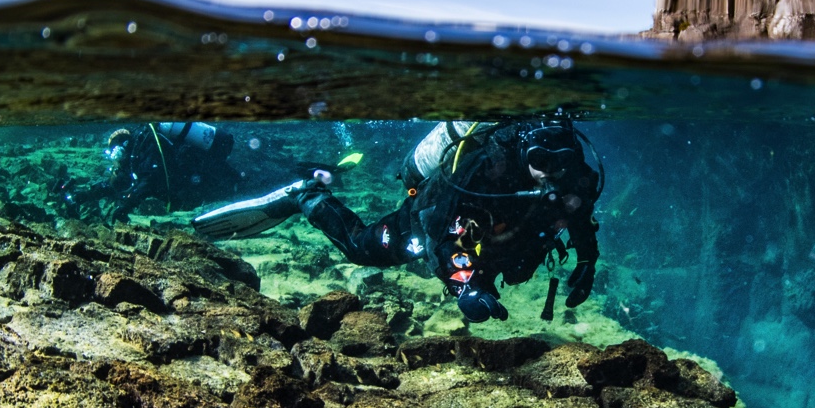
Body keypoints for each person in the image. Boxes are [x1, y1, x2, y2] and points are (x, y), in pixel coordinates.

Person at [194, 115, 600, 322]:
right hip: (428, 219)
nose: (551, 173)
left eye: (561, 161)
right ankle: (308, 195)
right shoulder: (485, 172)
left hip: (493, 241)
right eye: (541, 160)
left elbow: (579, 215)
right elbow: (445, 237)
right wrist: (465, 286)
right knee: (360, 248)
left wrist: (586, 260)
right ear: (524, 153)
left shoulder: (576, 177)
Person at [67, 121, 242, 221]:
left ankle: (243, 190)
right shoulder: (134, 159)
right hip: (190, 184)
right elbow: (116, 185)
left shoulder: (147, 145)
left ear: (124, 145)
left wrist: (127, 204)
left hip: (196, 179)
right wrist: (85, 195)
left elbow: (150, 179)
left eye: (115, 150)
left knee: (233, 188)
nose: (115, 156)